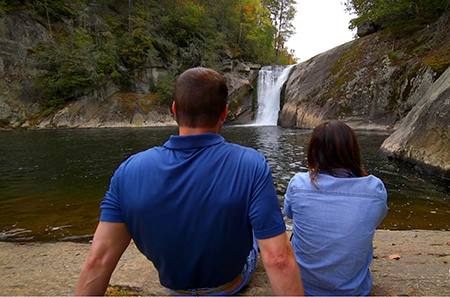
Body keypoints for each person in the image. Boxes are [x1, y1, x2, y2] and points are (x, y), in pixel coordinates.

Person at [75, 67, 304, 296]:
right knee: (257, 227)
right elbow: (279, 258)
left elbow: (99, 260)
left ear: (174, 110)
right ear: (224, 113)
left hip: (176, 288)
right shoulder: (251, 164)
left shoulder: (128, 170)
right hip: (228, 285)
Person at [284, 120, 388, 296]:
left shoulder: (298, 184)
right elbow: (375, 219)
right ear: (354, 151)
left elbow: (288, 212)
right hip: (353, 290)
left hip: (304, 287)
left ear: (313, 152)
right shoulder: (375, 188)